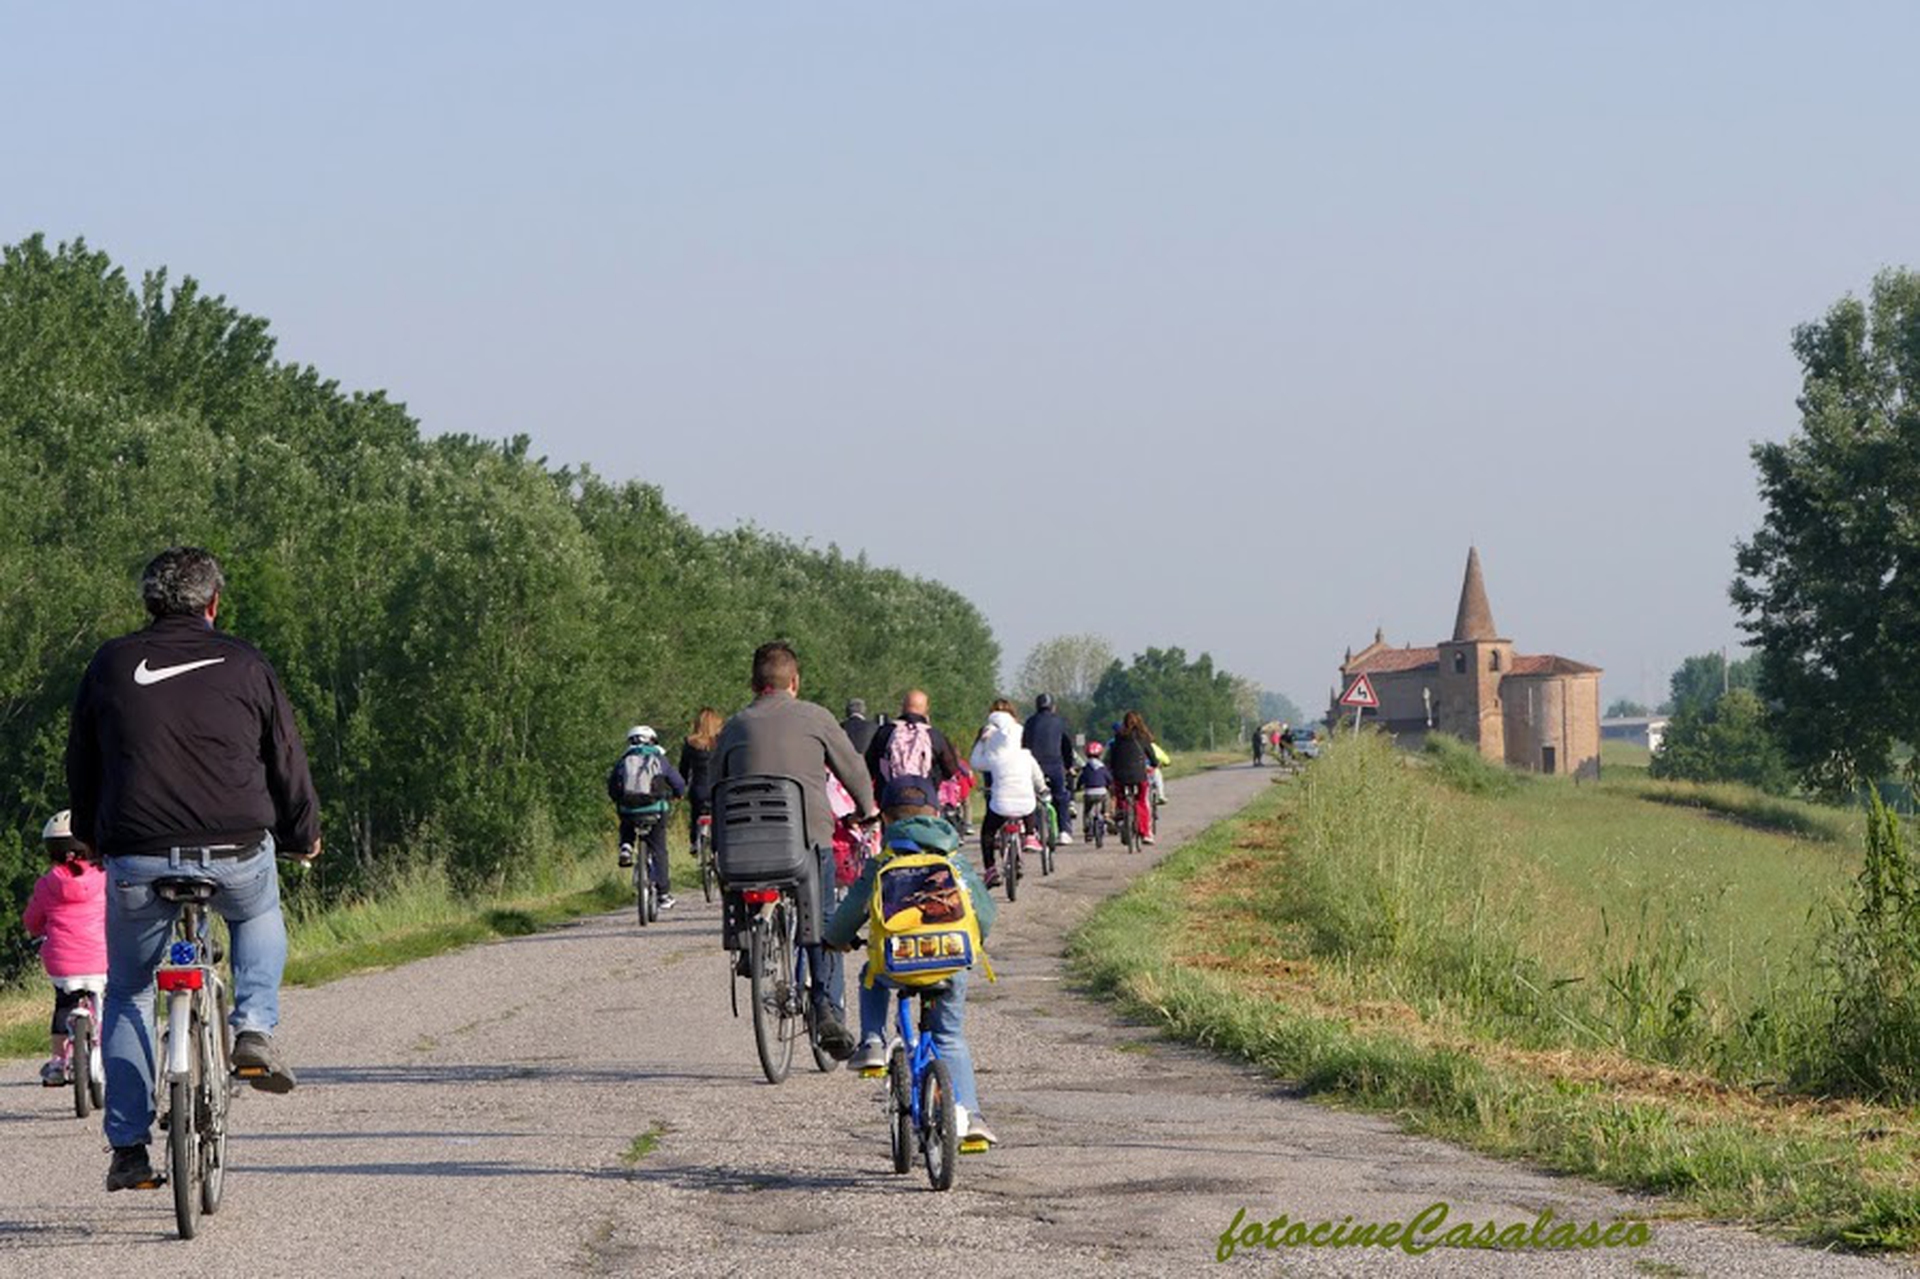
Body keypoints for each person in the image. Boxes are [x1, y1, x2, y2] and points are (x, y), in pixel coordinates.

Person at [66, 546, 321, 1193]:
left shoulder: (111, 663)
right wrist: (303, 834)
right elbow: (285, 758)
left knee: (129, 991)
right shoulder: (246, 662)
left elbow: (83, 763)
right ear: (213, 603)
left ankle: (128, 1149)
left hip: (137, 852)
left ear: (149, 602)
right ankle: (253, 1027)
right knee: (257, 912)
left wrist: (91, 835)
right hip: (236, 846)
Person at [715, 641, 878, 1058]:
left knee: (737, 869)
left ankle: (748, 941)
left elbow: (714, 787)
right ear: (795, 681)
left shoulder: (733, 726)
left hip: (743, 849)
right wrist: (869, 810)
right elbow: (853, 769)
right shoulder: (816, 717)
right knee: (823, 918)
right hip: (805, 843)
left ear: (754, 683)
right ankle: (826, 1009)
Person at [825, 774, 997, 1146]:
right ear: (936, 813)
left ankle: (873, 1042)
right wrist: (974, 940)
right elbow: (985, 914)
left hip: (897, 966)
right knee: (949, 1036)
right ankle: (971, 1118)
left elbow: (851, 911)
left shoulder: (884, 861)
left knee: (870, 974)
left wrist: (835, 940)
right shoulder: (953, 859)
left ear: (885, 818)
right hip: (949, 962)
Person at [21, 810, 106, 1087]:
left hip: (63, 963)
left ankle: (58, 1063)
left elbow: (33, 922)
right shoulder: (103, 879)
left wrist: (38, 931)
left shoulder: (46, 884)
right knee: (108, 1001)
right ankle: (109, 1051)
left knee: (63, 1005)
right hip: (100, 959)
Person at [608, 726, 686, 909]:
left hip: (628, 810)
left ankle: (626, 846)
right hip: (655, 809)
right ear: (651, 740)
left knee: (626, 822)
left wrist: (619, 800)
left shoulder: (624, 760)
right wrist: (678, 794)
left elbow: (612, 787)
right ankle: (663, 894)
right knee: (659, 849)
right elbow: (678, 783)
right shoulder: (659, 758)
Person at [968, 710, 1049, 887]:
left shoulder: (994, 757)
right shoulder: (1026, 756)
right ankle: (1030, 835)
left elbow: (975, 762)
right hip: (1026, 805)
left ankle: (990, 869)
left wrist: (982, 742)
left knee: (988, 833)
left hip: (1001, 805)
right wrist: (1043, 788)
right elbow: (1037, 777)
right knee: (1028, 801)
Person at [865, 689, 962, 788]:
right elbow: (951, 769)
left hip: (890, 792)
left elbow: (869, 766)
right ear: (926, 709)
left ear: (903, 707)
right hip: (924, 791)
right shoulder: (934, 735)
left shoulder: (885, 732)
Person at [1022, 694, 1078, 845]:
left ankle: (1032, 831)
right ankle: (1064, 831)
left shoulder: (1030, 722)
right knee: (1061, 797)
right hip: (1054, 764)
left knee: (1032, 797)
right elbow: (1066, 746)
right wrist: (1068, 766)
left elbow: (1024, 745)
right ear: (1053, 707)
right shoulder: (1060, 722)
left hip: (1034, 765)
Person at [1107, 710, 1160, 846]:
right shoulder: (1143, 737)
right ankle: (1146, 833)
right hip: (1139, 775)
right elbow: (1152, 758)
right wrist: (1154, 764)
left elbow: (1112, 758)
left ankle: (1122, 815)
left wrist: (1113, 769)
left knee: (1120, 795)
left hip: (1120, 775)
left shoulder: (1118, 737)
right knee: (1141, 801)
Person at [678, 707, 723, 851]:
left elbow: (683, 768)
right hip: (718, 789)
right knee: (720, 818)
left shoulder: (690, 743)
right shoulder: (722, 743)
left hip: (698, 789)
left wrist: (680, 788)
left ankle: (694, 842)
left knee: (696, 813)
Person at [1077, 741, 1114, 835]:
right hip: (1101, 792)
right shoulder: (1102, 767)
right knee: (1107, 799)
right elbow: (1109, 779)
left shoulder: (1086, 767)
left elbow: (1081, 779)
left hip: (1089, 793)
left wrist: (1078, 788)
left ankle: (1087, 828)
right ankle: (1106, 814)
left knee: (1087, 811)